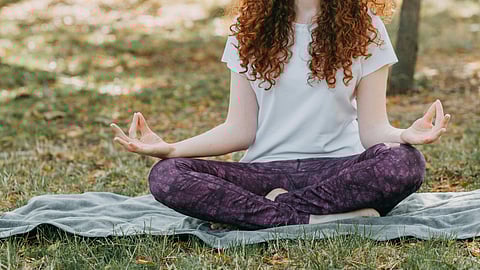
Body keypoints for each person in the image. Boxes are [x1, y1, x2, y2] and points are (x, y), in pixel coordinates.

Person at [110, 0, 451, 230]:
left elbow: (373, 130)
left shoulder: (367, 28)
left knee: (406, 163)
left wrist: (404, 136)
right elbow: (238, 130)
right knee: (167, 175)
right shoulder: (249, 29)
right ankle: (320, 219)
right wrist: (171, 149)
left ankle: (276, 212)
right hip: (263, 173)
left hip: (340, 171)